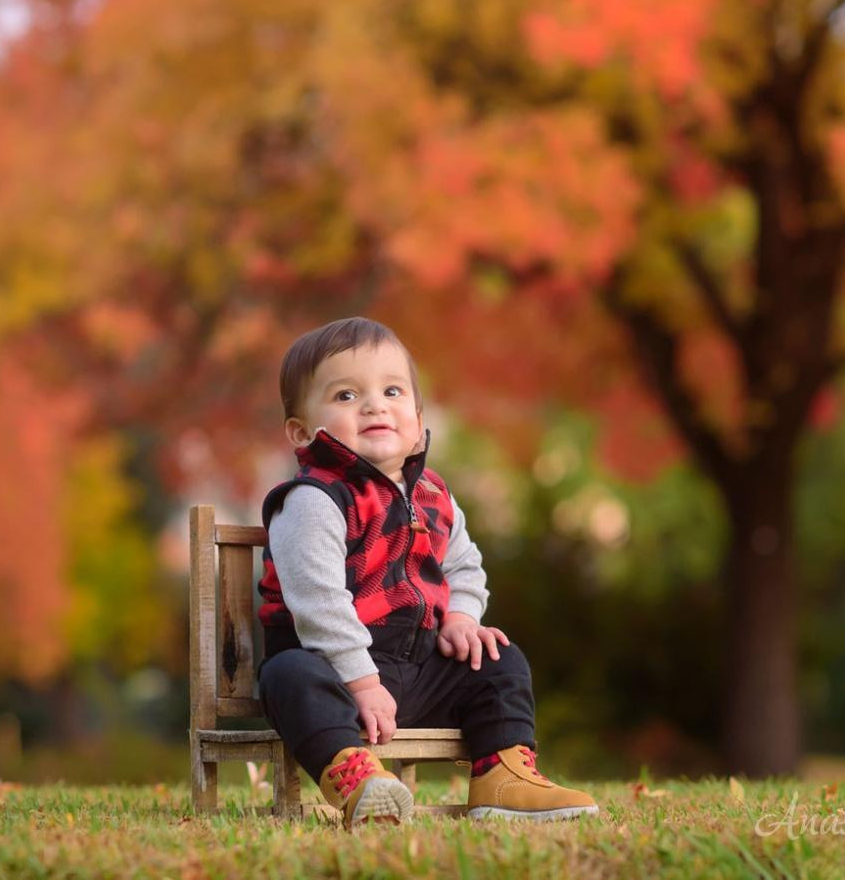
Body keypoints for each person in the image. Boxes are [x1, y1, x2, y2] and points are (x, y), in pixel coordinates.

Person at [256, 316, 599, 828]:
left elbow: (464, 565)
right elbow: (318, 601)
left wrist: (461, 617)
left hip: (416, 664)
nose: (374, 404)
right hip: (330, 664)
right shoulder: (313, 500)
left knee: (498, 657)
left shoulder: (432, 495)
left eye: (392, 391)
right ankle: (355, 776)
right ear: (303, 431)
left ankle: (501, 774)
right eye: (346, 396)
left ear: (416, 415)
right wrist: (363, 682)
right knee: (288, 675)